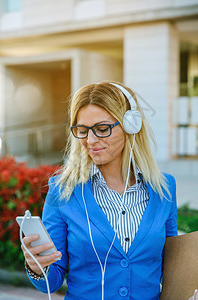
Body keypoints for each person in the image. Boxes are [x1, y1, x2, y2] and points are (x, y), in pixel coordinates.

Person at [20, 81, 195, 300]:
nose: (90, 141)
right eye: (82, 131)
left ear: (131, 125)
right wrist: (37, 266)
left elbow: (169, 266)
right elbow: (51, 282)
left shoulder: (164, 188)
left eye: (102, 129)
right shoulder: (63, 191)